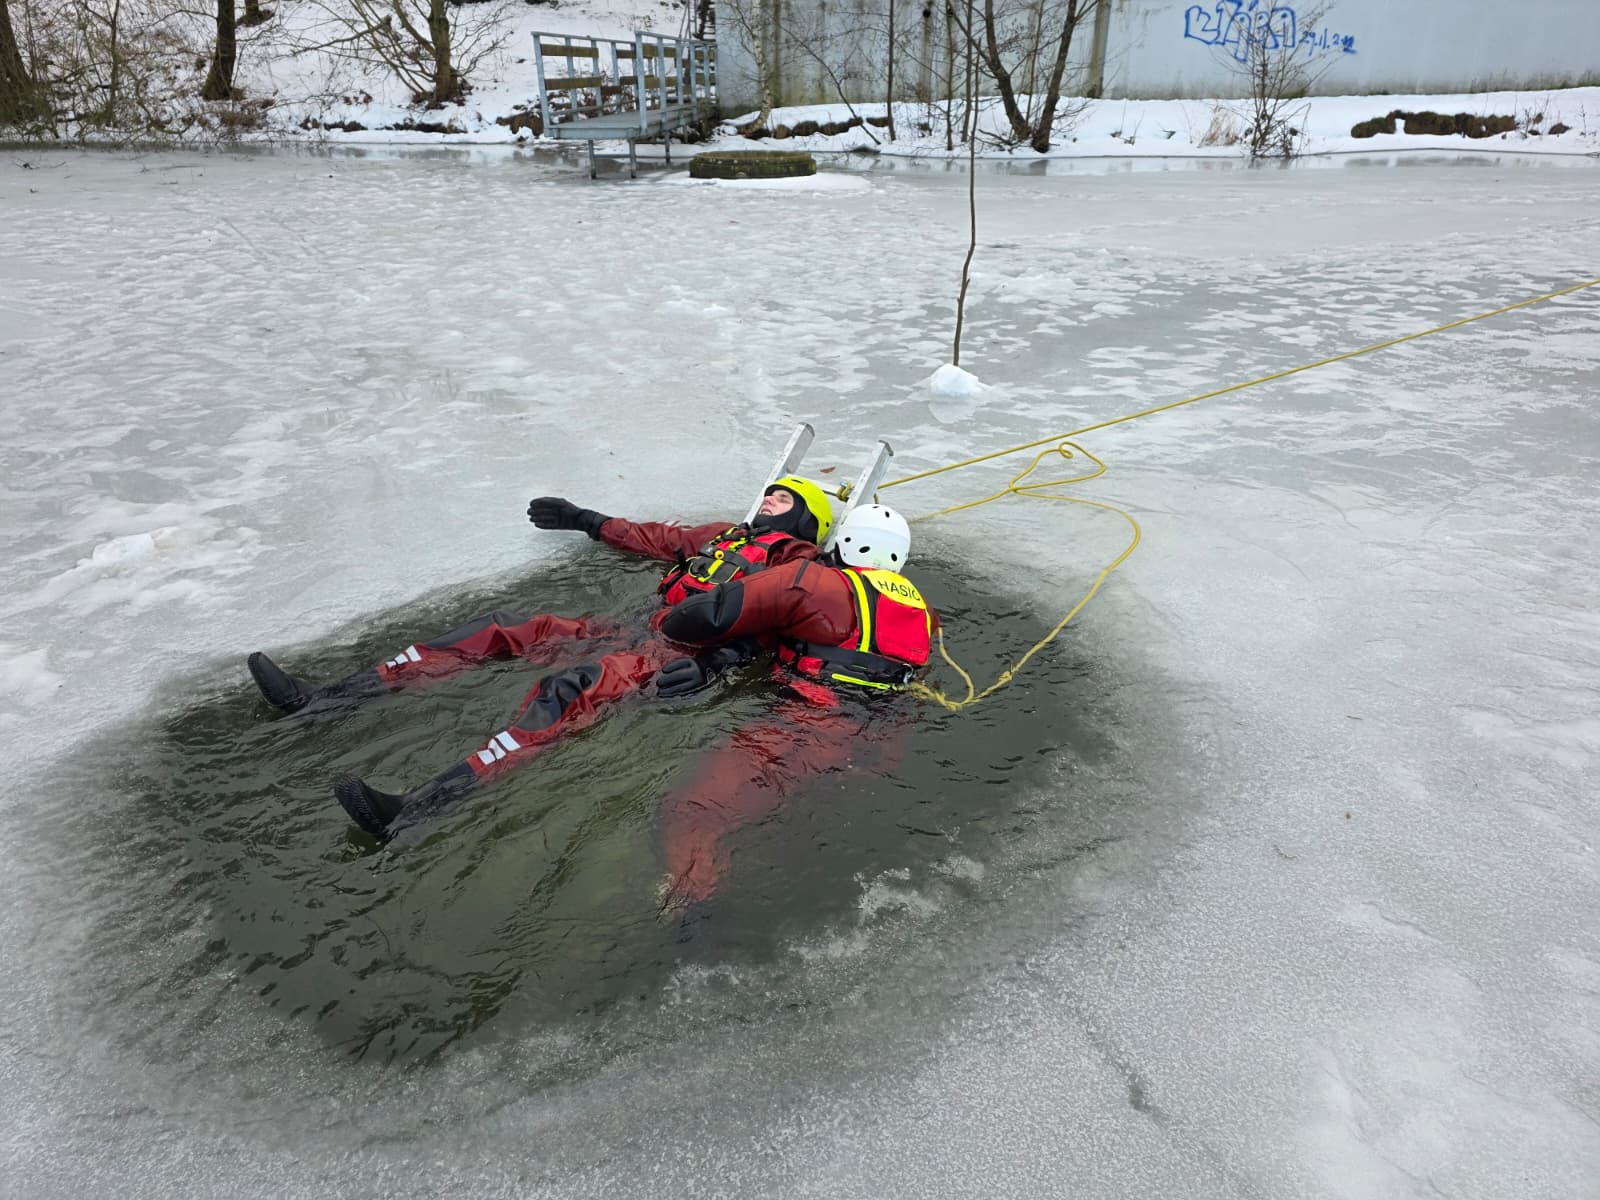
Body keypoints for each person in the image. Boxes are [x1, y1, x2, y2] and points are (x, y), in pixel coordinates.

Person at [245, 475, 837, 841]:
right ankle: (326, 698)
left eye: (783, 497)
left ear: (806, 518)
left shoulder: (799, 565)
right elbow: (654, 537)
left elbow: (787, 622)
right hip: (631, 627)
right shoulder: (723, 535)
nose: (768, 499)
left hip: (667, 654)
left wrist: (719, 663)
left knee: (566, 691)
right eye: (769, 492)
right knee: (505, 628)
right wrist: (585, 520)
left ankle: (413, 809)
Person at [649, 503, 937, 904]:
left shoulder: (814, 581)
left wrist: (658, 622)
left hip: (808, 726)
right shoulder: (924, 611)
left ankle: (690, 911)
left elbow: (711, 614)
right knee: (792, 824)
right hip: (881, 740)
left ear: (844, 542)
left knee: (694, 812)